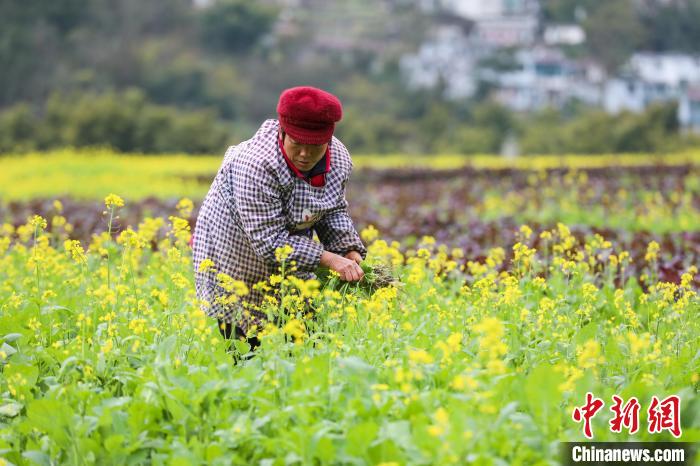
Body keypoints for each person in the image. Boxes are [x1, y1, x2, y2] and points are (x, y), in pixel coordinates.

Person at [192, 86, 367, 351]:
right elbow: (270, 241)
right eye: (297, 145)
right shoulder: (255, 164)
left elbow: (332, 210)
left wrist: (348, 250)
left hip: (294, 243)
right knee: (244, 334)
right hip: (235, 243)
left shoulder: (339, 158)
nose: (305, 155)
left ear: (328, 141)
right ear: (282, 132)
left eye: (315, 147)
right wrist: (330, 259)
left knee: (306, 335)